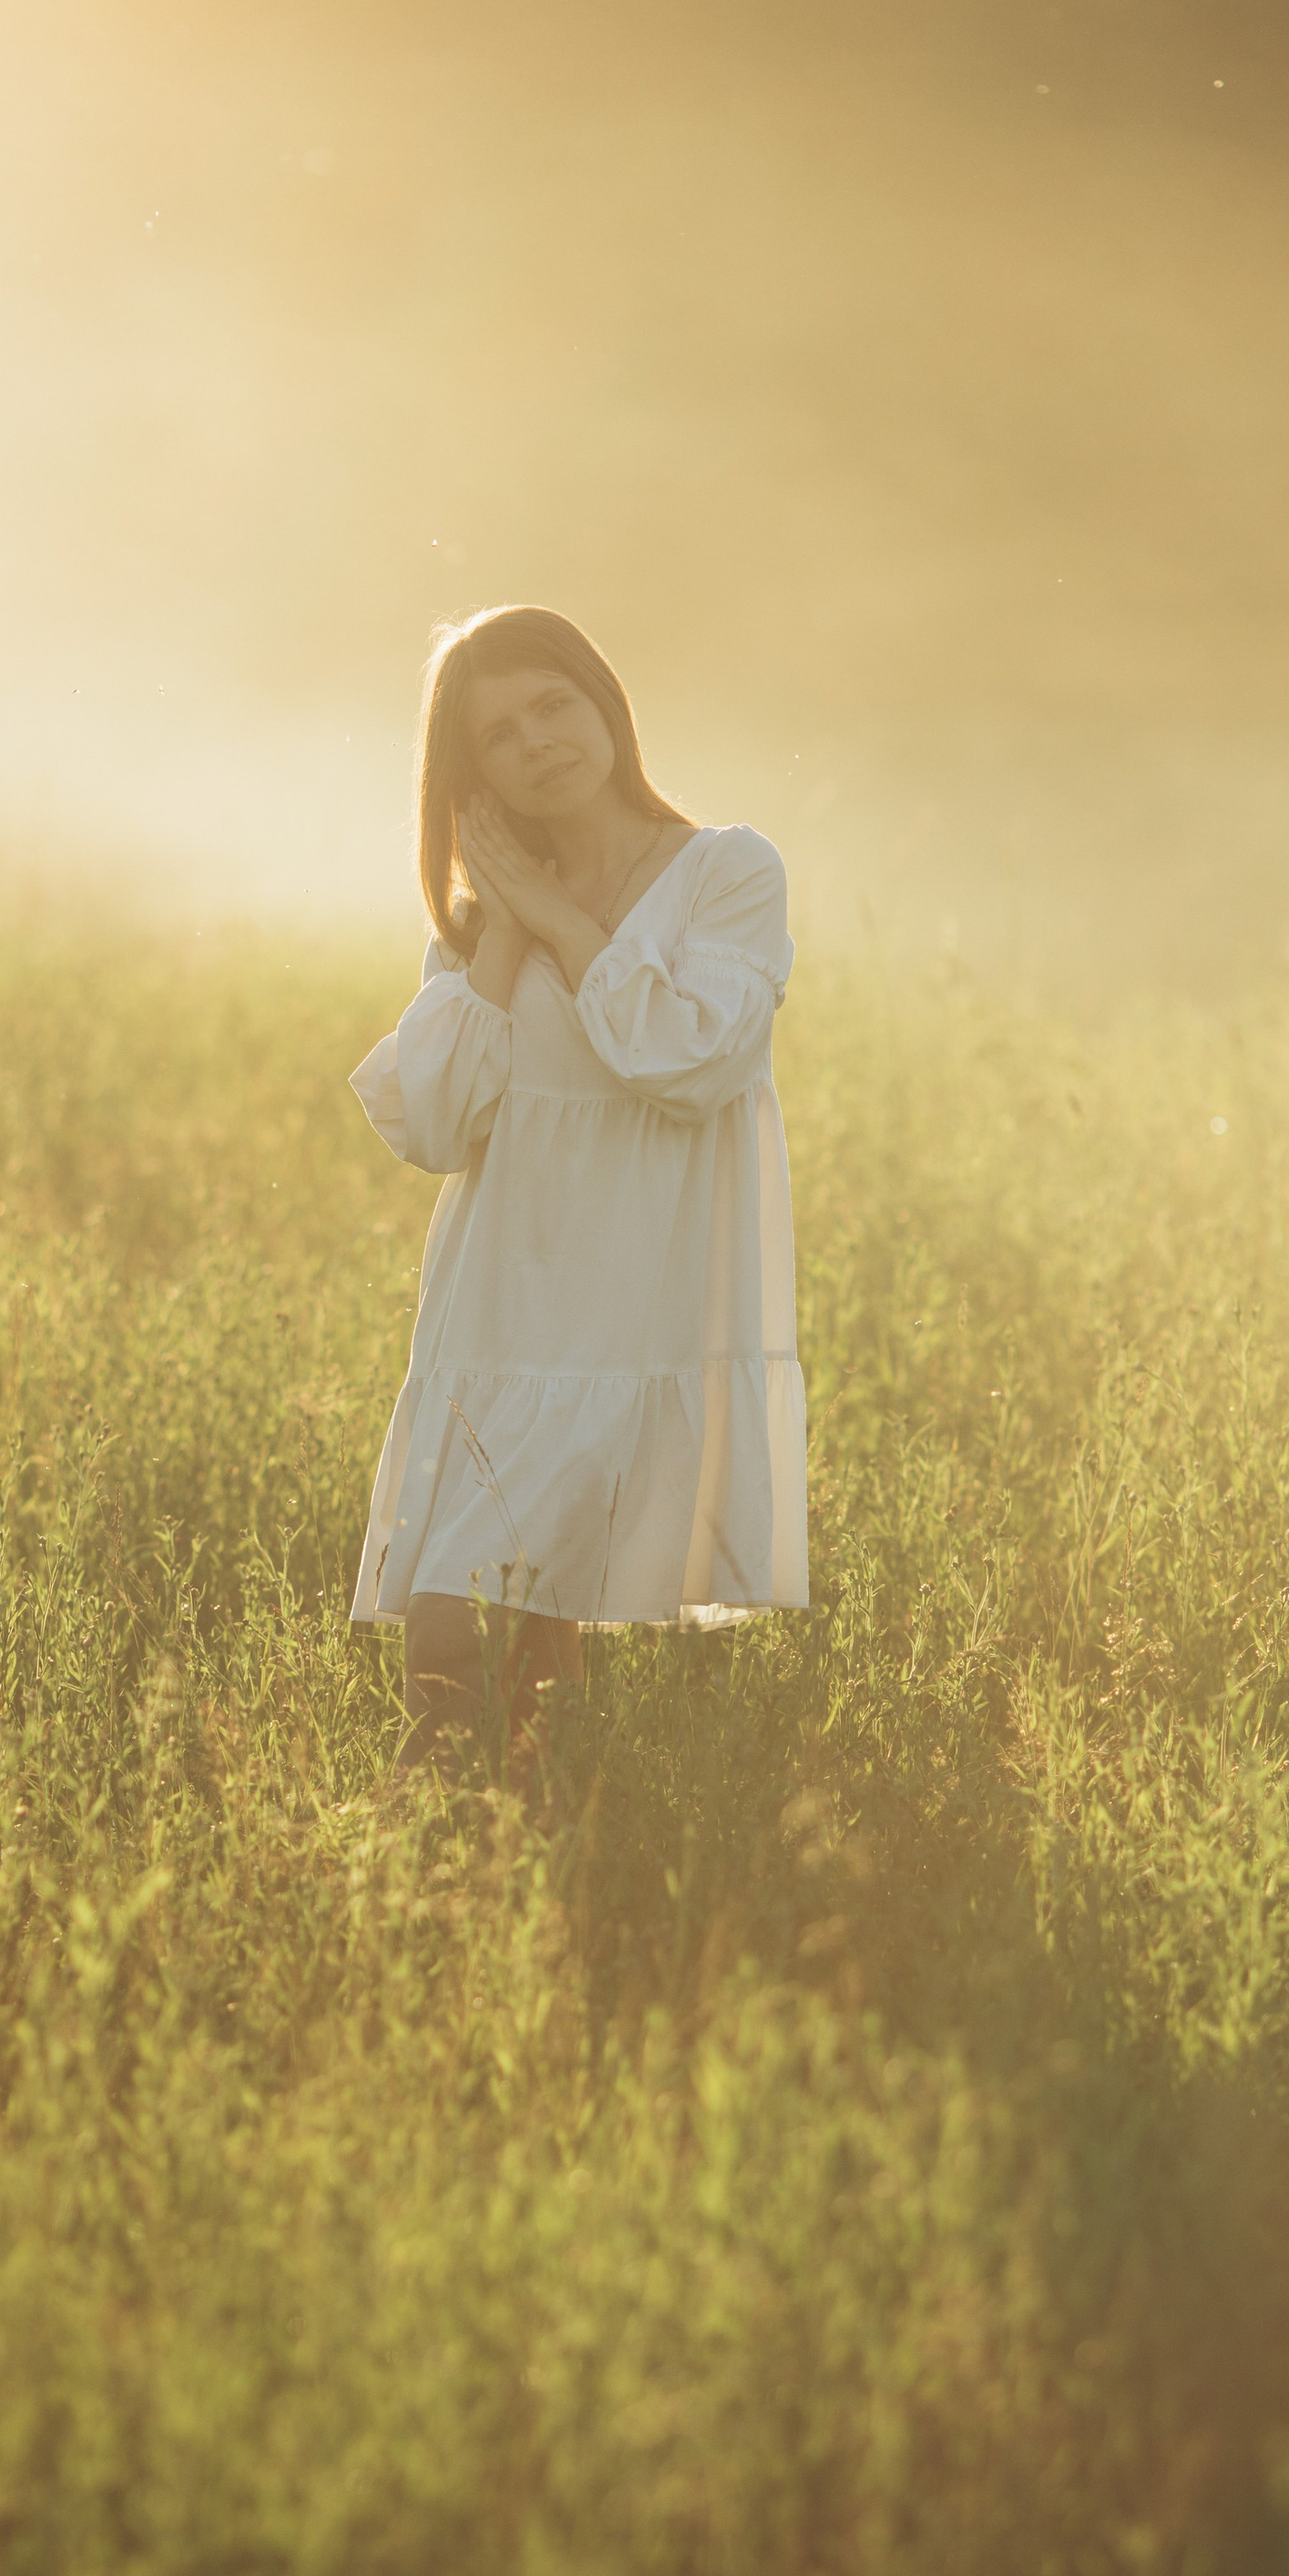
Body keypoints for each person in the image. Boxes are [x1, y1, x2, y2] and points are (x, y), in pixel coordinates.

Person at [348, 603, 807, 1782]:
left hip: (637, 1305)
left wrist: (558, 917)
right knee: (457, 1635)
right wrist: (503, 926)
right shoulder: (475, 924)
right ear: (471, 776)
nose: (539, 739)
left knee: (544, 1667)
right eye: (500, 734)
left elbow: (690, 1060)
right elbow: (441, 1120)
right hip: (503, 1312)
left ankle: (536, 1878)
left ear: (606, 703)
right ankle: (446, 1878)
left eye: (554, 703)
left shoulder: (725, 873)